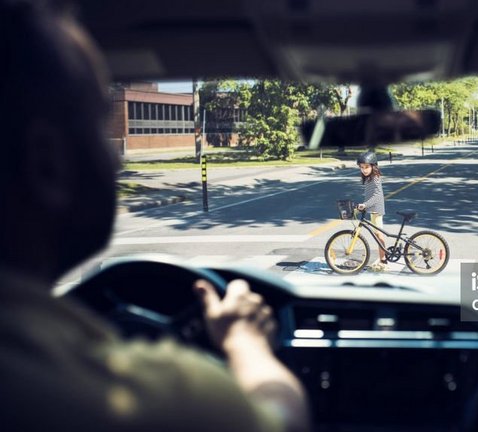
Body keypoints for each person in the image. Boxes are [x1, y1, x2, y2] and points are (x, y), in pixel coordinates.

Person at [0, 1, 309, 431]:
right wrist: (245, 342)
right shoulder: (138, 398)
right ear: (46, 163)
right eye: (97, 125)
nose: (118, 163)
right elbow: (282, 418)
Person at [355, 150, 388, 272]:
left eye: (367, 167)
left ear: (373, 166)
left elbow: (378, 196)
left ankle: (383, 261)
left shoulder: (375, 178)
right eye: (362, 167)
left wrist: (365, 204)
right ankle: (383, 259)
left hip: (377, 210)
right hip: (372, 209)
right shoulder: (369, 178)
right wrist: (364, 206)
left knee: (379, 235)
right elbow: (369, 195)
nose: (364, 170)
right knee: (378, 234)